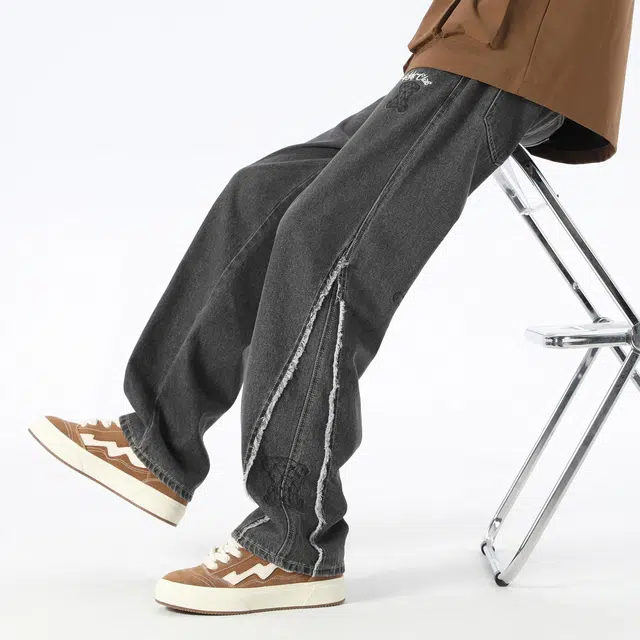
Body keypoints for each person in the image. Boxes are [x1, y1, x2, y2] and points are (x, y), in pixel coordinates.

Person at [29, 0, 634, 615]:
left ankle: (297, 539)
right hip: (472, 39)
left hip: (520, 44)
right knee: (258, 195)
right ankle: (159, 439)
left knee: (322, 238)